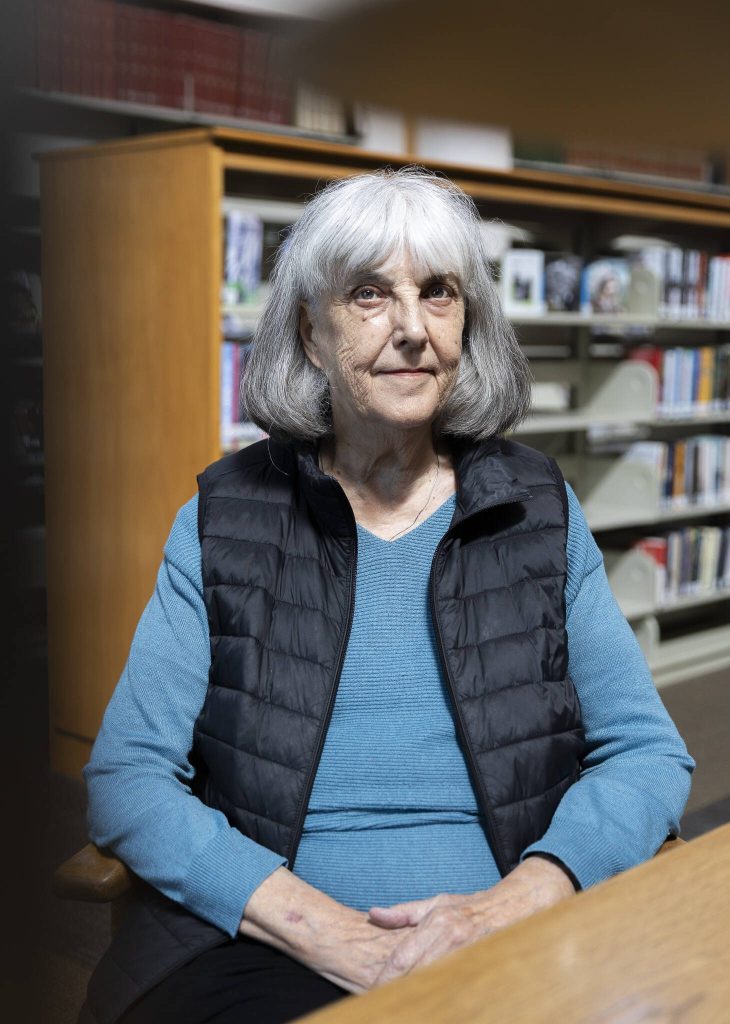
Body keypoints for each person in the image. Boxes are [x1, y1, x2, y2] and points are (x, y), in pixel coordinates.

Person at [80, 167, 694, 1024]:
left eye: (438, 293)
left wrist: (513, 903)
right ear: (310, 330)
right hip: (263, 951)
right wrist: (335, 936)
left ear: (466, 322)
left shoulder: (539, 508)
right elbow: (127, 781)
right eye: (369, 294)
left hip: (514, 937)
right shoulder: (225, 516)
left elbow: (648, 754)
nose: (411, 329)